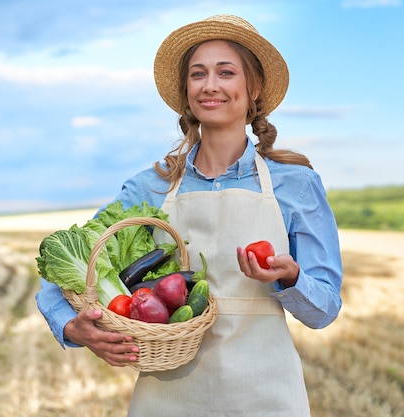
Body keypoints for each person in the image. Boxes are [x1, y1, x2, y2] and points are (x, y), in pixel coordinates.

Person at [36, 14, 343, 416]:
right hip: (168, 397)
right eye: (198, 74)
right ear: (186, 90)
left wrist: (290, 277)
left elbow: (325, 308)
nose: (210, 85)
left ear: (255, 89)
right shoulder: (150, 187)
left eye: (226, 72)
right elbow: (69, 258)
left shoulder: (296, 185)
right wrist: (70, 326)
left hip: (265, 394)